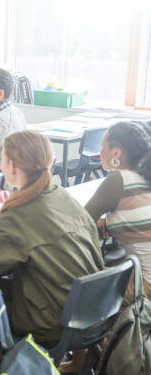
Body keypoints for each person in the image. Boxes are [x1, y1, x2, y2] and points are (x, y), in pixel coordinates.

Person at [0, 131, 103, 347]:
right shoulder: (61, 195)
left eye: (3, 160)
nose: (1, 166)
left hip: (51, 324)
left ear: (12, 166)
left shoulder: (20, 214)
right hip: (92, 313)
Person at [85, 121, 151, 301]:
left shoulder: (119, 180)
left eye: (102, 147)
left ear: (116, 153)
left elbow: (80, 221)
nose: (100, 153)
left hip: (145, 288)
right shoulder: (144, 174)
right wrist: (108, 218)